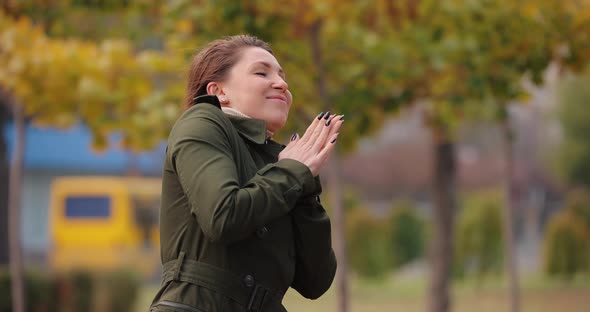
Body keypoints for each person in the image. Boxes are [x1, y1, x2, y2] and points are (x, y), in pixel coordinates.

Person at [150, 34, 341, 312]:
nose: (282, 83)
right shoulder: (202, 122)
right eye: (261, 72)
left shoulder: (279, 160)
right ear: (218, 91)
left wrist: (305, 182)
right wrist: (290, 173)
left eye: (282, 76)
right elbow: (223, 215)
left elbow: (316, 281)